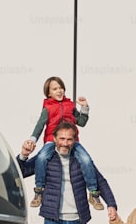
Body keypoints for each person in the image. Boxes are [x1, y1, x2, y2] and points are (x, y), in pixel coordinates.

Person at [25, 76, 102, 211]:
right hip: (51, 139)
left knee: (86, 159)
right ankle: (39, 190)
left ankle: (93, 192)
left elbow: (81, 122)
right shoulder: (48, 108)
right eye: (55, 89)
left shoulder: (70, 105)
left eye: (61, 88)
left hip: (71, 139)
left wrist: (84, 108)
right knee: (41, 158)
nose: (59, 91)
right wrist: (32, 139)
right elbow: (40, 125)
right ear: (49, 93)